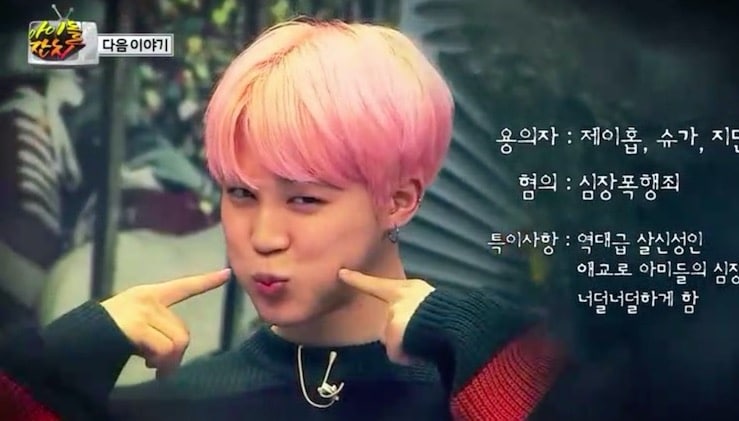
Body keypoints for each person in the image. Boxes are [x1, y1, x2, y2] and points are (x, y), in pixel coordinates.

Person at [0, 18, 565, 420]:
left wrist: (492, 345)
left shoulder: (481, 387)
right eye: (241, 193)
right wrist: (50, 370)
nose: (264, 237)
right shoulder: (184, 402)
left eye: (304, 200)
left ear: (398, 200)